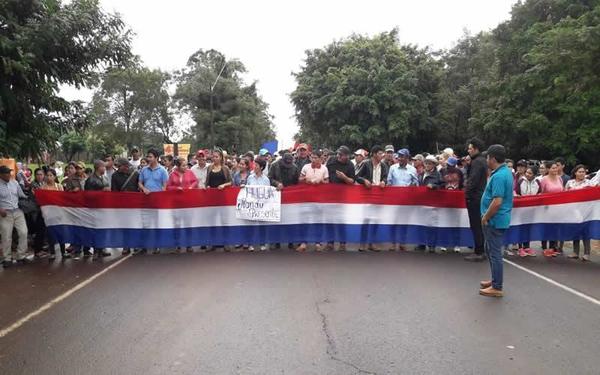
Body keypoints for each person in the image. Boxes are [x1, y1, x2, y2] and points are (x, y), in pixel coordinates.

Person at [479, 145, 513, 298]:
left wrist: (486, 216)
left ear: (492, 158)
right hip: (497, 220)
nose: (486, 160)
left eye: (487, 157)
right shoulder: (504, 172)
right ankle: (494, 281)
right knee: (490, 249)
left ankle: (497, 286)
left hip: (494, 220)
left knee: (494, 253)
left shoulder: (499, 176)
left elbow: (497, 201)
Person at [356, 145, 389, 252]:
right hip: (367, 196)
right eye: (380, 153)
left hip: (379, 196)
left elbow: (385, 176)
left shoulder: (384, 165)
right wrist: (364, 181)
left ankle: (372, 243)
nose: (382, 155)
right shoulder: (366, 164)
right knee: (366, 220)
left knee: (376, 220)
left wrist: (384, 181)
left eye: (382, 153)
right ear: (374, 154)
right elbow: (357, 176)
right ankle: (362, 243)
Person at [297, 150, 330, 252]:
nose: (314, 159)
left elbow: (328, 182)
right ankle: (303, 242)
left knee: (318, 221)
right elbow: (299, 179)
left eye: (316, 158)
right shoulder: (306, 167)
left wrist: (321, 182)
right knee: (305, 220)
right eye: (312, 157)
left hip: (319, 199)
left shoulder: (324, 168)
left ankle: (318, 242)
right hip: (306, 198)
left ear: (320, 159)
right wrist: (306, 180)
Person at [138, 149, 169, 255]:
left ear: (156, 158)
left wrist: (161, 195)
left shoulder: (162, 170)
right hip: (145, 201)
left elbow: (165, 185)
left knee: (156, 224)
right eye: (148, 156)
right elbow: (140, 183)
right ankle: (144, 246)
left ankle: (157, 245)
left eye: (150, 157)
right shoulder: (144, 170)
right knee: (145, 224)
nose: (148, 158)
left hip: (157, 202)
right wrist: (143, 188)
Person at [0, 165, 31, 267]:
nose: (9, 175)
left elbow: (22, 195)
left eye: (9, 172)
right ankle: (7, 258)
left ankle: (21, 256)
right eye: (6, 173)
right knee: (6, 236)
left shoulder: (15, 183)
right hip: (5, 214)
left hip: (17, 211)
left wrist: (31, 195)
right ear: (1, 175)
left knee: (23, 232)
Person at [326, 146, 356, 251]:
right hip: (330, 195)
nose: (338, 156)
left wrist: (344, 178)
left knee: (341, 220)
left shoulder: (350, 165)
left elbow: (352, 181)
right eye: (338, 153)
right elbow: (325, 174)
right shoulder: (331, 160)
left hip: (343, 197)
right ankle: (330, 242)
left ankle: (342, 243)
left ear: (347, 156)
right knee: (330, 220)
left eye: (341, 154)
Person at [464, 137, 487, 262]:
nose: (468, 151)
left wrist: (467, 193)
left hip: (475, 198)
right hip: (479, 196)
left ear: (476, 149)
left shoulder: (477, 162)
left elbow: (473, 180)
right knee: (478, 225)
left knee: (476, 225)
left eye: (470, 148)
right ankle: (480, 249)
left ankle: (479, 251)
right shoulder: (480, 161)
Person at [84, 160, 111, 259]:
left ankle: (102, 247)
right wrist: (101, 191)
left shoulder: (104, 178)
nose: (104, 168)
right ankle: (96, 250)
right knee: (95, 229)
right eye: (103, 166)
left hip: (103, 207)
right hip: (94, 208)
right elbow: (88, 195)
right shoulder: (90, 180)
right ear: (98, 167)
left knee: (102, 228)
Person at [565, 165, 593, 261]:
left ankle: (587, 253)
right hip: (572, 211)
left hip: (585, 211)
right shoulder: (570, 182)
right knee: (575, 231)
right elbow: (564, 195)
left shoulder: (589, 183)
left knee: (585, 232)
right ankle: (575, 252)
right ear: (575, 173)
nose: (582, 173)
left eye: (583, 172)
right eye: (580, 171)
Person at [39, 169, 67, 260]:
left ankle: (63, 252)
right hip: (49, 214)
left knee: (61, 233)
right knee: (50, 233)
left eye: (51, 175)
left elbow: (63, 200)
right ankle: (52, 253)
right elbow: (41, 202)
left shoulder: (59, 187)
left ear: (55, 177)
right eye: (48, 175)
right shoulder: (43, 188)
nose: (49, 177)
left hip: (58, 213)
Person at [243, 159, 270, 252]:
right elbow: (246, 190)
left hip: (262, 205)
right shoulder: (250, 177)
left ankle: (262, 243)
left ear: (261, 167)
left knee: (262, 225)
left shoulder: (266, 179)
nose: (254, 166)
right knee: (250, 225)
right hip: (252, 205)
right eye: (254, 165)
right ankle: (250, 244)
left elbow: (268, 193)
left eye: (257, 165)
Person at [539, 160, 564, 257]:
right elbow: (540, 193)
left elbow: (562, 191)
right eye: (553, 168)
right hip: (547, 207)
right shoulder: (544, 180)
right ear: (548, 169)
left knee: (555, 227)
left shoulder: (560, 179)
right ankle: (545, 247)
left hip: (557, 207)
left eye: (556, 167)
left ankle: (553, 247)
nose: (555, 169)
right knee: (547, 227)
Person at [514, 166, 540, 257]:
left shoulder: (537, 182)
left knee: (529, 228)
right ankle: (520, 247)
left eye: (530, 173)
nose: (528, 174)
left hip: (532, 210)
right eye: (527, 172)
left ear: (534, 175)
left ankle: (527, 247)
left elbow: (539, 194)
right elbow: (516, 192)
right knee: (521, 228)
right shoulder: (521, 181)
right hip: (522, 209)